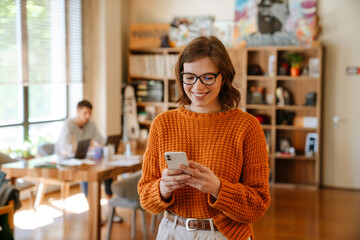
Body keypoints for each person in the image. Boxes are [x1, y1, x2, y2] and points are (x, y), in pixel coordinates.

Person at [138, 36, 270, 240]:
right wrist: (163, 188)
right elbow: (146, 199)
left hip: (224, 234)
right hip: (172, 232)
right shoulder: (163, 124)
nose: (197, 87)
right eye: (189, 77)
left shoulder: (247, 127)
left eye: (207, 77)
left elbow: (258, 205)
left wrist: (218, 188)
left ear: (223, 77)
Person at [55, 100, 122, 223]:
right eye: (85, 113)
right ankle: (94, 213)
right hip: (67, 161)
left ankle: (112, 210)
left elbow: (100, 140)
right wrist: (86, 148)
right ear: (78, 111)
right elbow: (64, 149)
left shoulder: (90, 124)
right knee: (88, 175)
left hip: (84, 159)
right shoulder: (68, 125)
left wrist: (101, 145)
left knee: (107, 173)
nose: (87, 117)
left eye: (89, 114)